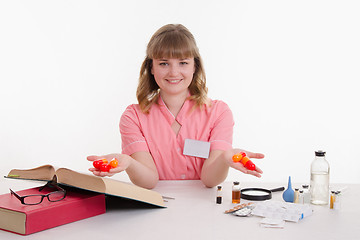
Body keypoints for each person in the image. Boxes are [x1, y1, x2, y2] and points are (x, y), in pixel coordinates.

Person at [87, 24, 264, 189]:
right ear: (151, 68)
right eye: (163, 63)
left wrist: (225, 158)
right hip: (155, 210)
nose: (173, 72)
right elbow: (149, 181)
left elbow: (210, 180)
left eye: (183, 63)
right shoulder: (133, 117)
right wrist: (129, 163)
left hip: (205, 209)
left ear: (195, 66)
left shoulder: (219, 112)